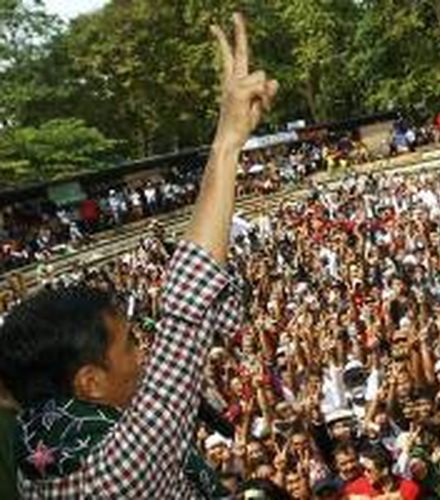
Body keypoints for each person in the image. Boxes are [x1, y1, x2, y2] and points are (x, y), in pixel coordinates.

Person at [0, 12, 277, 497]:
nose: (143, 353)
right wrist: (229, 141)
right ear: (90, 382)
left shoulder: (38, 453)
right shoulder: (116, 473)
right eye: (128, 344)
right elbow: (187, 309)